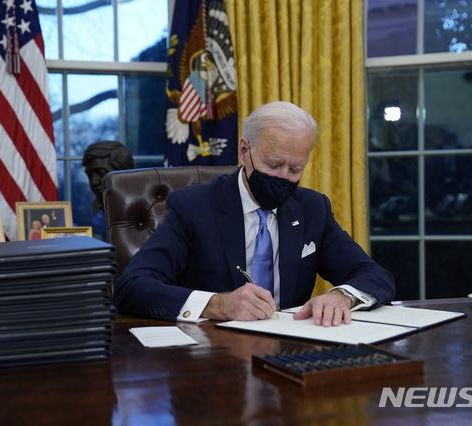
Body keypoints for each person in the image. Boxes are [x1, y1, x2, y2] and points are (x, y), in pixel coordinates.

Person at [115, 101, 395, 327]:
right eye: (273, 164)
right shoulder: (193, 207)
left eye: (295, 169)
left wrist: (342, 295)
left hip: (291, 350)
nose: (283, 177)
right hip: (212, 352)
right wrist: (217, 305)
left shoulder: (312, 209)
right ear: (244, 150)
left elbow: (374, 275)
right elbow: (132, 286)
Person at [82, 141, 134, 212]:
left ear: (124, 175)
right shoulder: (88, 210)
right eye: (89, 175)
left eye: (101, 173)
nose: (94, 182)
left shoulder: (140, 208)